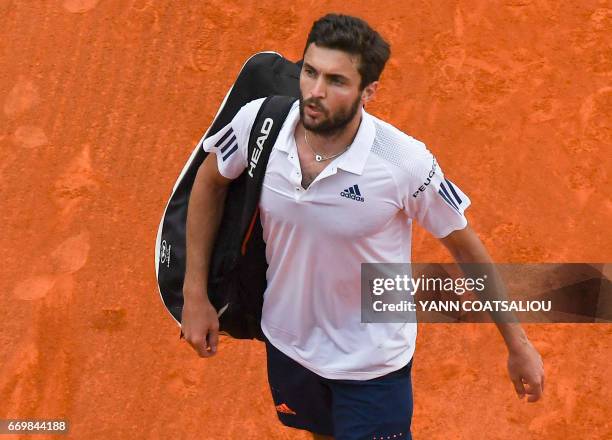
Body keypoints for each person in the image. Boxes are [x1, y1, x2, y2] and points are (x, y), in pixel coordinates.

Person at [180, 13, 545, 440]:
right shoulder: (259, 124)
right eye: (310, 72)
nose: (315, 92)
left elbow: (466, 249)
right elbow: (208, 181)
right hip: (289, 345)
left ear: (368, 91)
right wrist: (194, 293)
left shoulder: (403, 162)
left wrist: (517, 345)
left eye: (336, 81)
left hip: (372, 366)